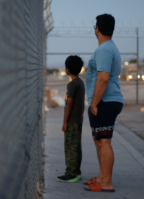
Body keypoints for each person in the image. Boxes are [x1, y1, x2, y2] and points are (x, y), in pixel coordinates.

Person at [84, 14, 124, 192]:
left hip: (105, 102)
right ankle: (101, 177)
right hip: (105, 101)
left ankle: (106, 182)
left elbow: (103, 79)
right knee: (99, 140)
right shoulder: (108, 47)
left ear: (97, 29)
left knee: (104, 142)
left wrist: (94, 103)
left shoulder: (104, 50)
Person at [57, 55, 85, 183]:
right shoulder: (80, 82)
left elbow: (69, 104)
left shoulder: (71, 85)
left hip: (71, 121)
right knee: (76, 146)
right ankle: (77, 172)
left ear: (67, 70)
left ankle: (71, 173)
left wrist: (64, 122)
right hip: (78, 120)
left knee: (70, 147)